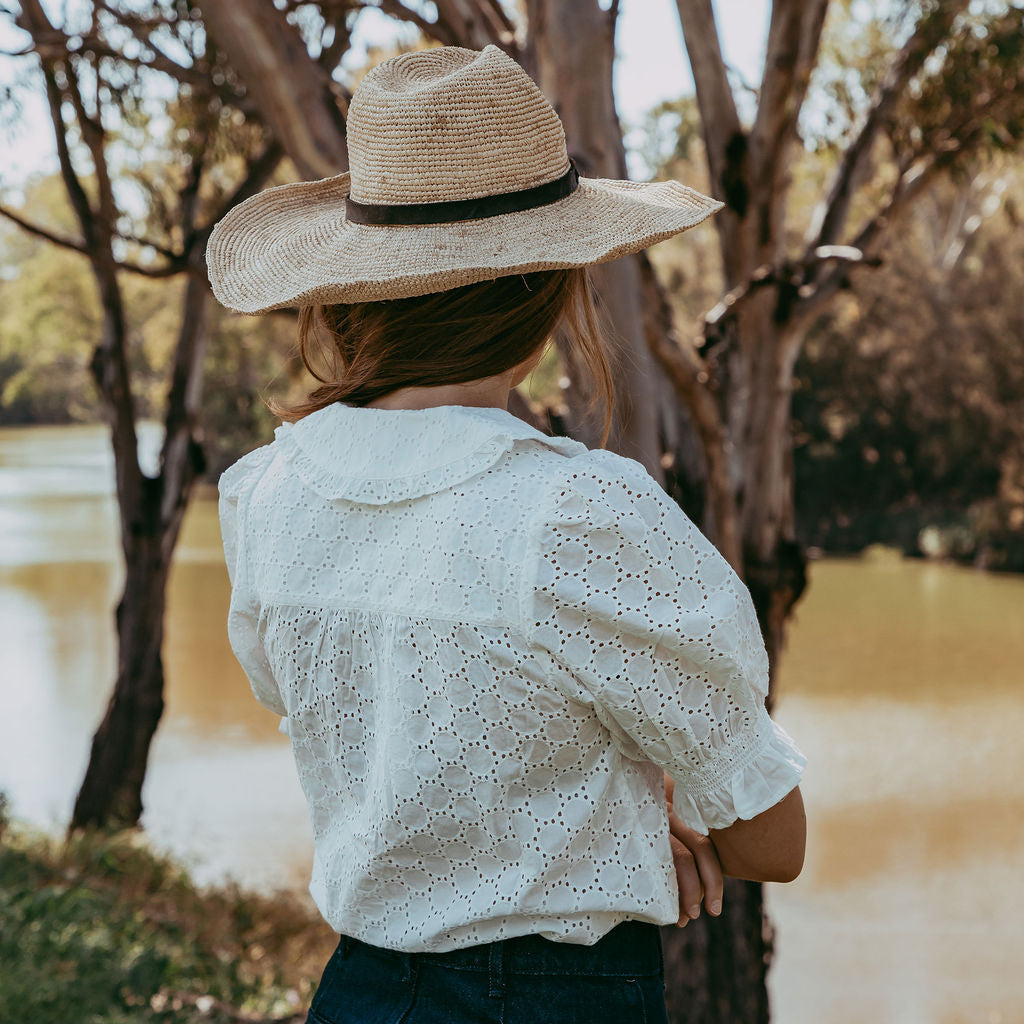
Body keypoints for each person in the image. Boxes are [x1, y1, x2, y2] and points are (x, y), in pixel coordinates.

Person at [207, 43, 807, 1024]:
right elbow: (770, 844)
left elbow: (363, 728)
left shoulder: (267, 491)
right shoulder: (578, 510)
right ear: (549, 287)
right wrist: (633, 818)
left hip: (355, 992)